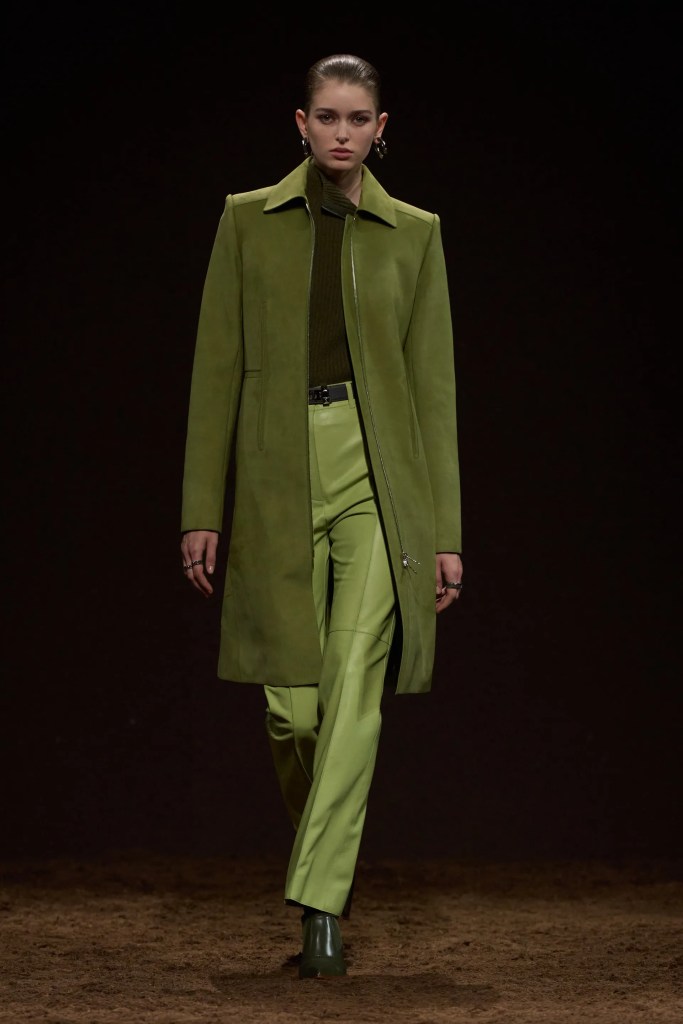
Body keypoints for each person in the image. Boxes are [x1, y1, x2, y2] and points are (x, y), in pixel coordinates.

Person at [180, 53, 463, 980]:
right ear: (299, 124)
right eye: (327, 116)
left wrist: (444, 533)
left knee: (352, 686)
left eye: (358, 118)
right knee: (291, 715)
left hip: (381, 474)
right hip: (275, 469)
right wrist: (201, 505)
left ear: (382, 130)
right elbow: (214, 370)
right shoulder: (245, 221)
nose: (343, 132)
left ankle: (321, 909)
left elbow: (433, 392)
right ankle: (327, 868)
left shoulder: (414, 234)